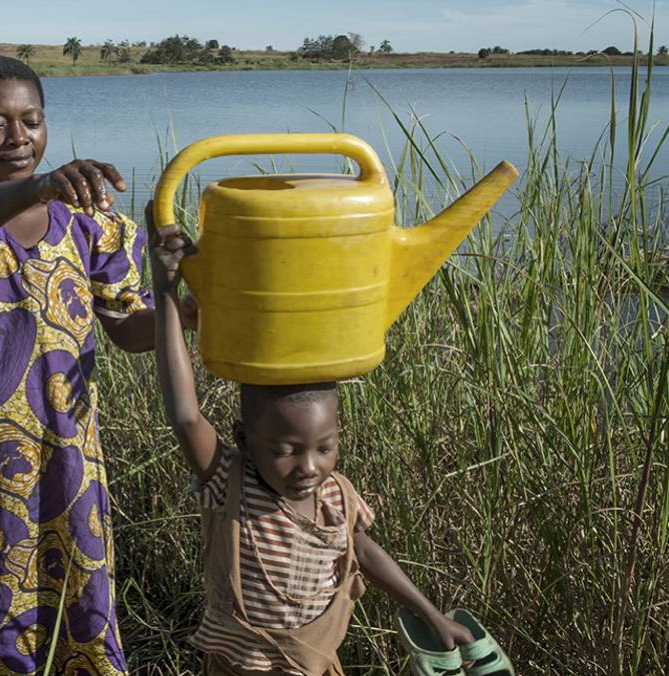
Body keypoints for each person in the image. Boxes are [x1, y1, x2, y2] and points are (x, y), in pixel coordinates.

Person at [0, 56, 175, 675]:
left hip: (61, 450)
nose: (18, 138)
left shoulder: (92, 220)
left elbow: (131, 329)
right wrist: (39, 186)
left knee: (68, 580)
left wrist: (192, 299)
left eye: (31, 120)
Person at [148, 213, 475, 675]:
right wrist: (165, 292)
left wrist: (430, 612)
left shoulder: (336, 496)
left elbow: (360, 549)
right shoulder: (232, 480)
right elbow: (184, 415)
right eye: (286, 450)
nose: (308, 467)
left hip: (312, 666)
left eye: (324, 448)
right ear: (245, 440)